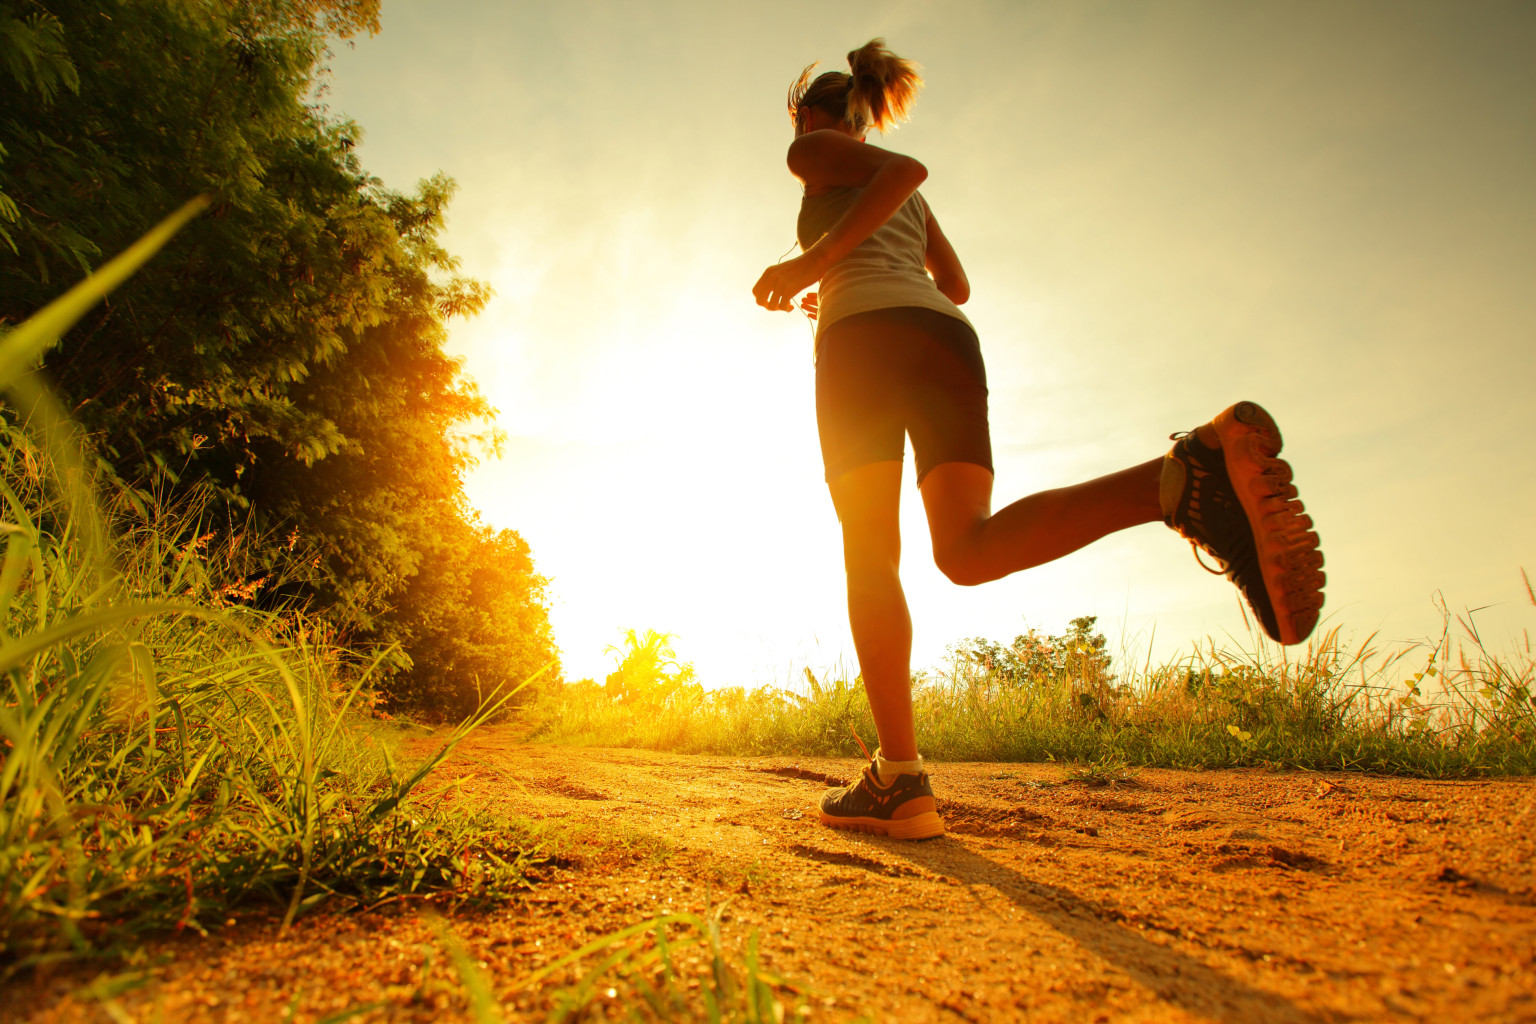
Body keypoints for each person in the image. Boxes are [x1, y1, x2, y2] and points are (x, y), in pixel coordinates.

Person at [753, 40, 1325, 841]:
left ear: (815, 115)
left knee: (870, 551)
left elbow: (907, 170)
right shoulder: (894, 199)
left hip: (864, 346)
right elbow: (952, 283)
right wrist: (840, 277)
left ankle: (901, 775)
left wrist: (814, 264)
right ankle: (1177, 479)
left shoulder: (816, 151)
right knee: (967, 550)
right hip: (944, 337)